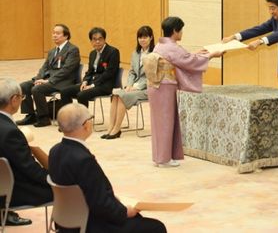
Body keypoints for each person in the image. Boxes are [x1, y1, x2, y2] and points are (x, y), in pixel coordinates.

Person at [49, 103, 166, 233]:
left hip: (65, 221)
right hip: (89, 224)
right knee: (156, 227)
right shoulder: (83, 159)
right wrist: (125, 211)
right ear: (86, 125)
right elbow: (100, 204)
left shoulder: (54, 151)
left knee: (138, 220)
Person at [144, 17, 223, 168]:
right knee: (166, 122)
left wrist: (197, 53)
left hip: (155, 87)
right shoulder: (173, 47)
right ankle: (164, 159)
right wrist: (211, 55)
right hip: (164, 86)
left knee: (158, 122)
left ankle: (160, 157)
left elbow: (183, 58)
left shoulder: (161, 45)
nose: (181, 33)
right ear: (175, 31)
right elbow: (189, 61)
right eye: (181, 30)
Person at [0, 78, 53, 226]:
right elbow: (30, 170)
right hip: (10, 191)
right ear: (14, 99)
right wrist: (54, 179)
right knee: (72, 190)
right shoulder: (10, 132)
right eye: (22, 97)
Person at [16, 24, 80, 127]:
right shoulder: (52, 51)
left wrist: (49, 81)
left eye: (58, 33)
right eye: (53, 33)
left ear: (66, 36)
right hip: (49, 79)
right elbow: (44, 67)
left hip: (63, 81)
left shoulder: (72, 50)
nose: (54, 35)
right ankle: (30, 115)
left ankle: (44, 118)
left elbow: (67, 70)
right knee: (24, 86)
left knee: (37, 89)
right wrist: (38, 78)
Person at [101, 26, 154, 140]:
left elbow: (152, 75)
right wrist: (129, 84)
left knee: (122, 95)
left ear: (151, 37)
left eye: (145, 37)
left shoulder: (154, 54)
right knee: (115, 94)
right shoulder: (135, 53)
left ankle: (116, 129)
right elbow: (131, 72)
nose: (142, 40)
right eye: (140, 37)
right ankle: (111, 127)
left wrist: (137, 86)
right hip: (134, 86)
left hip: (148, 88)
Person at [60, 27, 120, 108]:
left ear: (104, 39)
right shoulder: (92, 53)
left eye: (100, 39)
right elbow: (89, 72)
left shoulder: (113, 52)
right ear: (91, 41)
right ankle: (69, 117)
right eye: (94, 39)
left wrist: (92, 85)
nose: (97, 42)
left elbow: (109, 73)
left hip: (105, 85)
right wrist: (85, 81)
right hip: (91, 82)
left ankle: (84, 120)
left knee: (81, 95)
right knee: (65, 92)